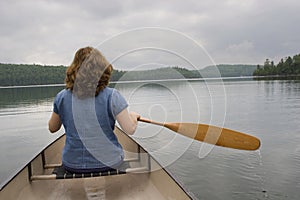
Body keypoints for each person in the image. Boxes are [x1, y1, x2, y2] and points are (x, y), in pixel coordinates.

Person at [48, 46, 140, 173]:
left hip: (72, 164)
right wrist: (134, 117)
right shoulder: (113, 96)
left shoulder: (62, 97)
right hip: (110, 162)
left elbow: (52, 128)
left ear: (74, 69)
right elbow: (130, 129)